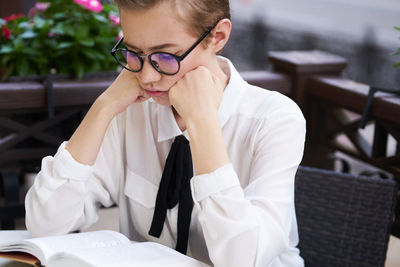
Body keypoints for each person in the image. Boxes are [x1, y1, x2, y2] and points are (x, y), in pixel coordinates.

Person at [25, 0, 306, 266]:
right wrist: (104, 106)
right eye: (133, 52)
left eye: (165, 56)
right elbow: (46, 225)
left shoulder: (274, 120)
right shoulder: (133, 108)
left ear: (217, 37)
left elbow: (242, 259)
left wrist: (202, 122)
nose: (147, 76)